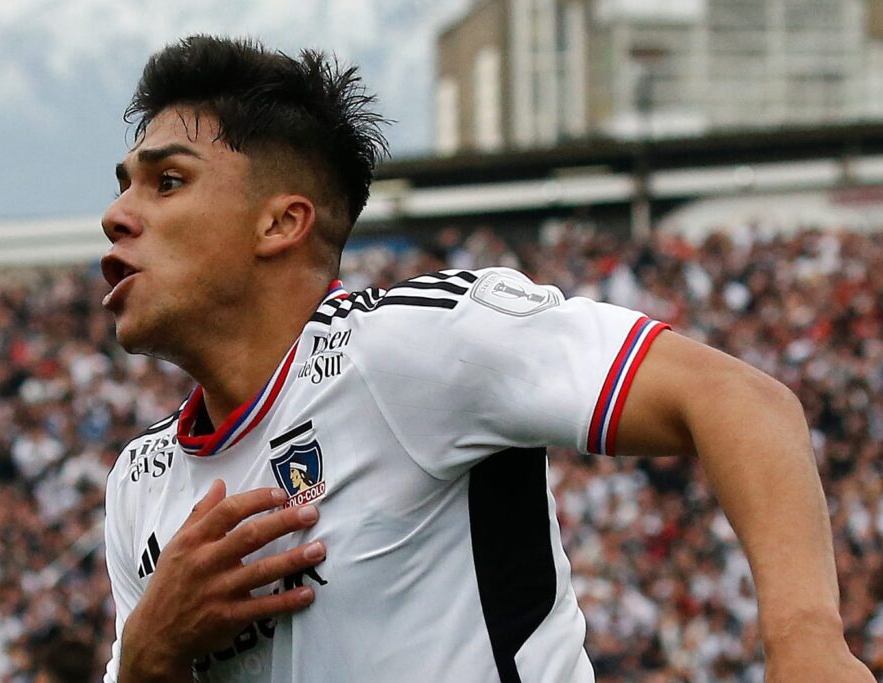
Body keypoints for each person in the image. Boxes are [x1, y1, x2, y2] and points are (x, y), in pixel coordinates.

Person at [99, 35, 872, 682]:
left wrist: (804, 637)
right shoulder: (141, 484)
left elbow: (740, 398)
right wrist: (143, 658)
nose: (116, 215)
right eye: (125, 185)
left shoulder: (413, 347)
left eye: (168, 182)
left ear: (281, 223)